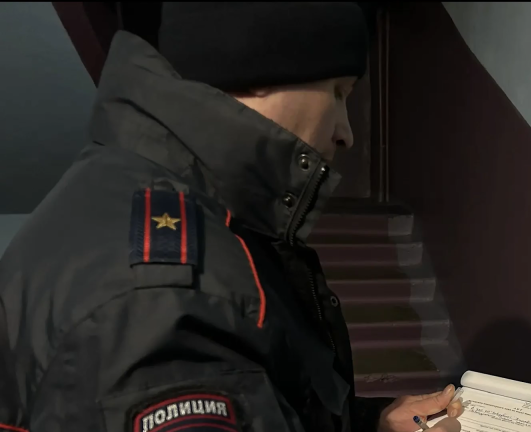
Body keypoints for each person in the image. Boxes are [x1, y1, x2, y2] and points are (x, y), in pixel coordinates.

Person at [0, 3, 464, 432]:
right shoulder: (167, 297)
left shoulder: (131, 189)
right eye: (338, 93)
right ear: (261, 68)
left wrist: (373, 422)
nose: (345, 133)